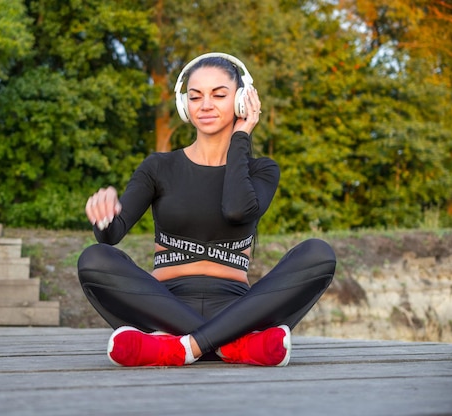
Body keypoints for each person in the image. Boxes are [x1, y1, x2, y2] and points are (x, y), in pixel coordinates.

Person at [77, 52, 336, 367]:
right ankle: (234, 346)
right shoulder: (159, 166)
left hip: (238, 309)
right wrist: (103, 217)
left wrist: (241, 136)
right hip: (164, 304)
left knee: (318, 254)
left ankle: (176, 348)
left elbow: (238, 211)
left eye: (219, 95)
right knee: (94, 258)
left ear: (242, 100)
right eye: (195, 96)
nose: (206, 105)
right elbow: (111, 236)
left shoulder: (263, 170)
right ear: (184, 105)